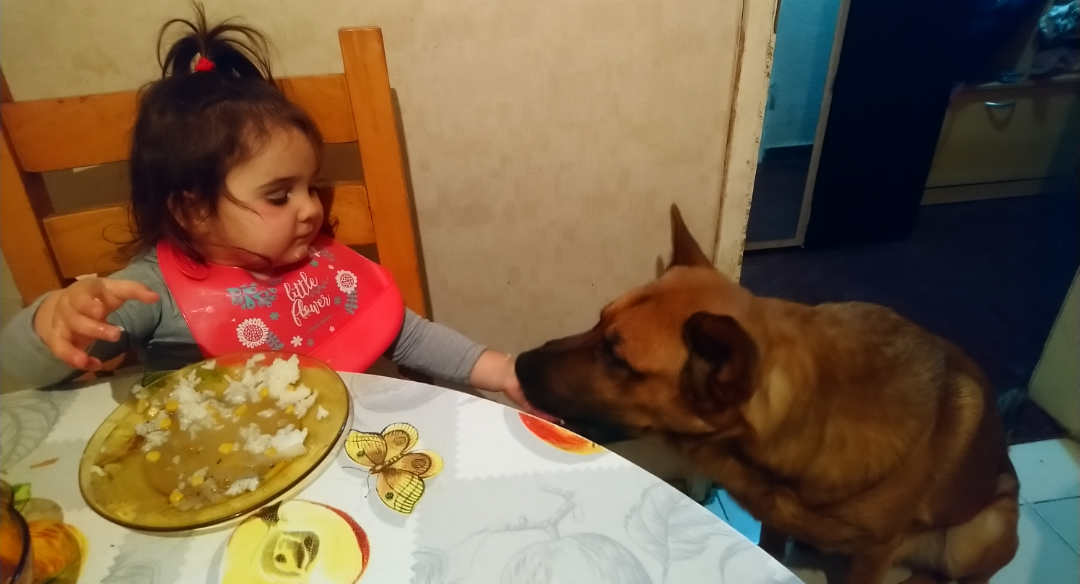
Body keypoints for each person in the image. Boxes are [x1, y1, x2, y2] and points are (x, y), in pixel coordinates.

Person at [1, 8, 547, 418]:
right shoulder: (152, 291)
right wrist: (55, 318)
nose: (311, 208)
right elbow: (25, 369)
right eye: (280, 196)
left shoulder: (316, 262)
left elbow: (403, 333)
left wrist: (500, 369)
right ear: (193, 210)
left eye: (312, 186)